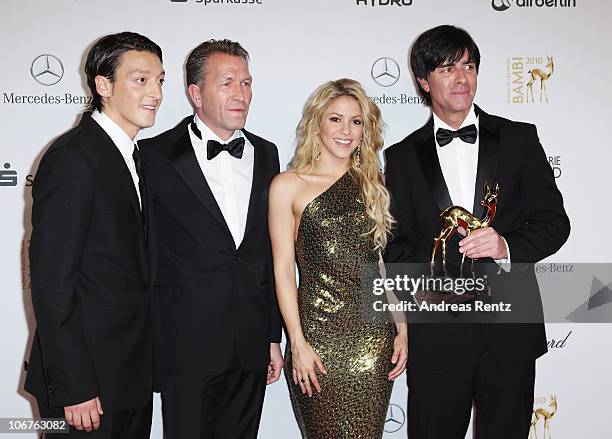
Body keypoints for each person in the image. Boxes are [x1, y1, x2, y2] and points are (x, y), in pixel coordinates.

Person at [384, 25, 570, 438]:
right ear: (423, 80)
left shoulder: (519, 139)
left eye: (468, 65)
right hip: (436, 336)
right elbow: (394, 244)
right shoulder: (400, 158)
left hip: (509, 332)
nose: (461, 78)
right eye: (447, 68)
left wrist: (506, 244)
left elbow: (555, 223)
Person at [139, 39, 283, 438]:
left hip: (251, 342)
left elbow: (267, 257)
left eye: (247, 82)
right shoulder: (152, 155)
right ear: (195, 94)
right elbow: (143, 253)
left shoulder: (267, 154)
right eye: (227, 83)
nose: (240, 93)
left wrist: (272, 336)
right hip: (186, 344)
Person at [24, 32, 164, 437]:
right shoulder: (73, 158)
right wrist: (75, 386)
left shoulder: (132, 156)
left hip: (128, 376)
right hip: (86, 387)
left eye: (159, 80)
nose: (155, 92)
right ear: (103, 86)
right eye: (140, 80)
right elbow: (53, 284)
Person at [269, 78, 408, 438]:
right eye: (335, 119)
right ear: (317, 123)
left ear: (366, 129)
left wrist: (402, 327)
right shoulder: (288, 185)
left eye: (356, 121)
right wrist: (296, 341)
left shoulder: (374, 183)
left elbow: (380, 266)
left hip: (373, 339)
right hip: (316, 340)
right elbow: (283, 270)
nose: (346, 131)